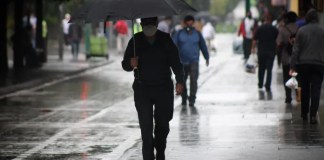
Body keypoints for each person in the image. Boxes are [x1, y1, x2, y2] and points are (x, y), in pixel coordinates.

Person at [122, 17, 184, 160]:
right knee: (146, 128)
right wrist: (130, 63)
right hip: (142, 89)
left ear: (156, 24)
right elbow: (125, 64)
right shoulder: (135, 41)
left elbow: (176, 62)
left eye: (151, 24)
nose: (149, 26)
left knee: (163, 125)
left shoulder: (165, 39)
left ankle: (160, 149)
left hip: (163, 88)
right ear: (141, 25)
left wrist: (180, 81)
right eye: (146, 24)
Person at [289, 9, 324, 124]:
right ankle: (313, 115)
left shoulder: (301, 31)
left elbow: (296, 50)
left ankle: (304, 113)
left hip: (303, 64)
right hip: (319, 64)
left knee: (304, 89)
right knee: (316, 89)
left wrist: (292, 66)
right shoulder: (322, 31)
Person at [173, 15, 209, 107]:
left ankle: (192, 98)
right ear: (184, 23)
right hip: (182, 62)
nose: (189, 23)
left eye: (191, 21)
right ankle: (184, 98)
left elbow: (203, 46)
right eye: (187, 21)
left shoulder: (197, 34)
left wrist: (207, 58)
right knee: (182, 81)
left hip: (194, 61)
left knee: (194, 81)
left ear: (193, 22)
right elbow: (172, 46)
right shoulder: (179, 33)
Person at [252, 14, 278, 92]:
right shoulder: (274, 29)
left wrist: (253, 49)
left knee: (261, 69)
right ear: (270, 20)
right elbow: (278, 40)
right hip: (271, 52)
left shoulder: (259, 28)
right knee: (269, 70)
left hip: (261, 52)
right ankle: (268, 85)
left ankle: (260, 84)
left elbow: (254, 40)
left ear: (264, 20)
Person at [276, 11, 298, 103]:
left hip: (286, 57)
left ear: (287, 19)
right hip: (298, 58)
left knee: (286, 77)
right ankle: (298, 95)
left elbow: (278, 43)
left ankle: (288, 97)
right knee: (298, 78)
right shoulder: (300, 29)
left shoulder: (283, 30)